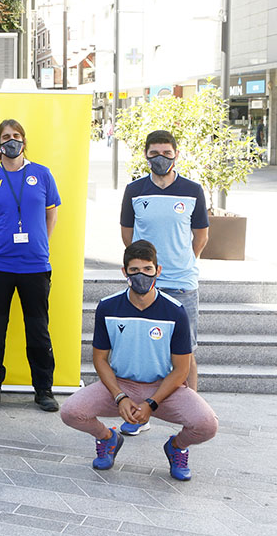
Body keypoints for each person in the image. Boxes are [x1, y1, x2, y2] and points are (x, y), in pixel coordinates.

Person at [60, 241, 218, 481]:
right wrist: (119, 397)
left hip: (164, 388)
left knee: (207, 425)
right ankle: (107, 438)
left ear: (158, 270)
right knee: (71, 412)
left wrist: (152, 403)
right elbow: (100, 359)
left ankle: (177, 447)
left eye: (147, 269)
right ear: (124, 272)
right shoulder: (108, 306)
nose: (141, 275)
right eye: (134, 270)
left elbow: (181, 369)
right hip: (120, 384)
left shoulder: (175, 311)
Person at [0, 119, 61, 412]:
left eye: (17, 135)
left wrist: (39, 242)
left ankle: (44, 389)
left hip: (35, 266)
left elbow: (51, 215)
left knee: (38, 329)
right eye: (6, 136)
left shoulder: (42, 174)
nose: (12, 140)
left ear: (24, 140)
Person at [120, 129, 208, 416]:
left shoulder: (192, 190)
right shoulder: (134, 191)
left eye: (167, 153)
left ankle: (192, 412)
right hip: (145, 283)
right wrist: (143, 269)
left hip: (182, 282)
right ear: (146, 155)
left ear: (176, 155)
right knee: (141, 349)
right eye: (155, 153)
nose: (161, 158)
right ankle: (139, 413)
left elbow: (201, 236)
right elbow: (128, 235)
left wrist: (183, 260)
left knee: (187, 350)